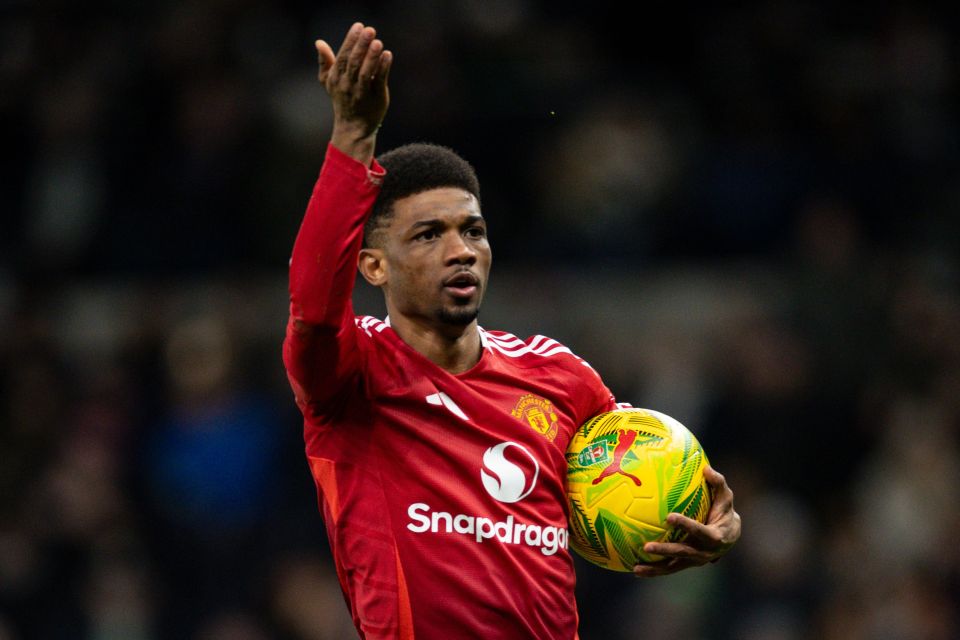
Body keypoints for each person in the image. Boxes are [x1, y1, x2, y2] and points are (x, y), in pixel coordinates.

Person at [282, 22, 741, 640]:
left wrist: (706, 522)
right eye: (429, 234)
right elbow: (312, 310)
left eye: (472, 230)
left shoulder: (560, 377)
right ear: (373, 266)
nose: (461, 250)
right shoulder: (352, 375)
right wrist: (353, 138)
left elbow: (644, 478)